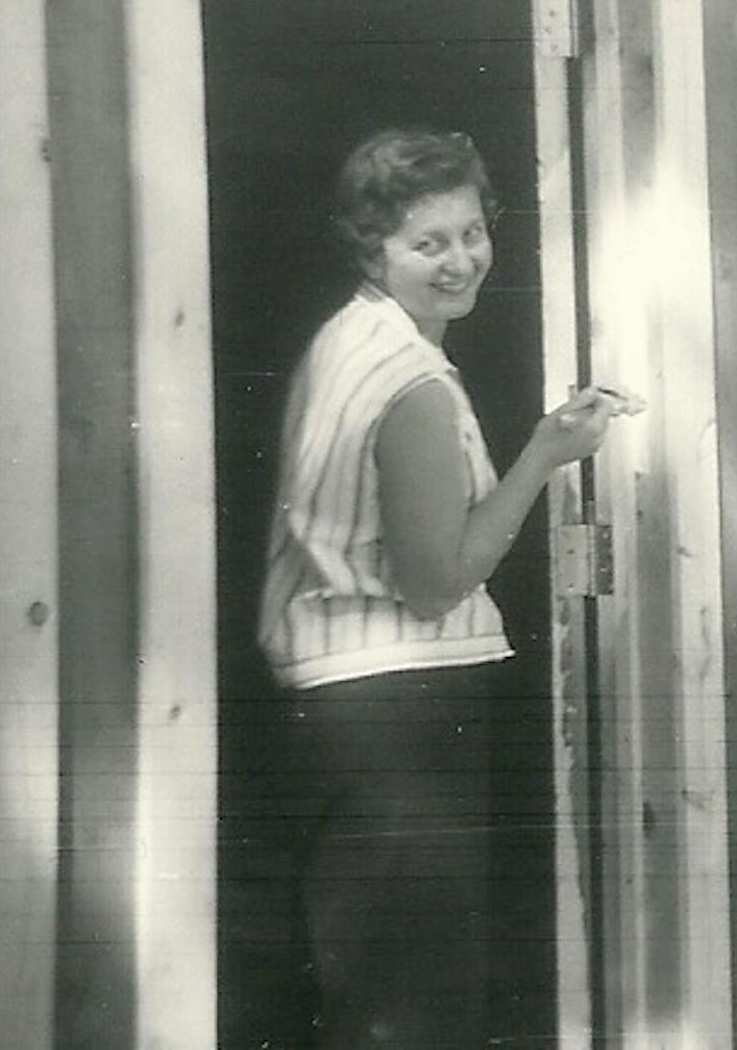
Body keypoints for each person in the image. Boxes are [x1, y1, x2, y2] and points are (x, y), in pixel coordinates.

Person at [255, 126, 641, 1047]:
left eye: (471, 233)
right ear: (372, 247)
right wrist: (546, 454)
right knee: (413, 1003)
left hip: (349, 706)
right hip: (398, 713)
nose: (460, 259)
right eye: (428, 243)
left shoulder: (349, 337)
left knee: (372, 988)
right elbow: (437, 582)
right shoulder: (411, 381)